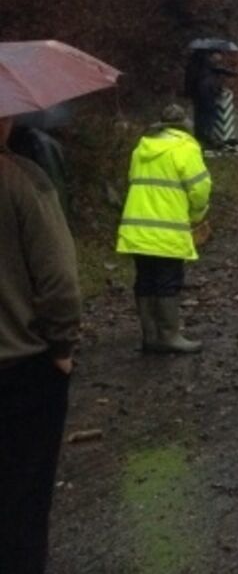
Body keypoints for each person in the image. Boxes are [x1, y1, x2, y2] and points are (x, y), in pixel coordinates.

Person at [0, 114, 81, 574]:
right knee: (20, 507)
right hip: (19, 374)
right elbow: (60, 284)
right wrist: (61, 348)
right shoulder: (22, 181)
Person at [116, 105, 212, 355]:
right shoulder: (185, 148)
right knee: (168, 281)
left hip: (137, 228)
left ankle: (150, 336)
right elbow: (200, 189)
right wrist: (196, 215)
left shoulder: (141, 148)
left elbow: (133, 180)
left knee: (145, 279)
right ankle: (169, 336)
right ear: (184, 126)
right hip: (167, 228)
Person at [184, 49, 237, 149]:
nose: (220, 58)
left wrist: (231, 73)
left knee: (200, 116)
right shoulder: (206, 66)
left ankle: (201, 137)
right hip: (206, 94)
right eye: (218, 55)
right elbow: (214, 74)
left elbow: (218, 70)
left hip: (199, 94)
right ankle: (207, 138)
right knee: (208, 116)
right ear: (212, 55)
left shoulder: (198, 65)